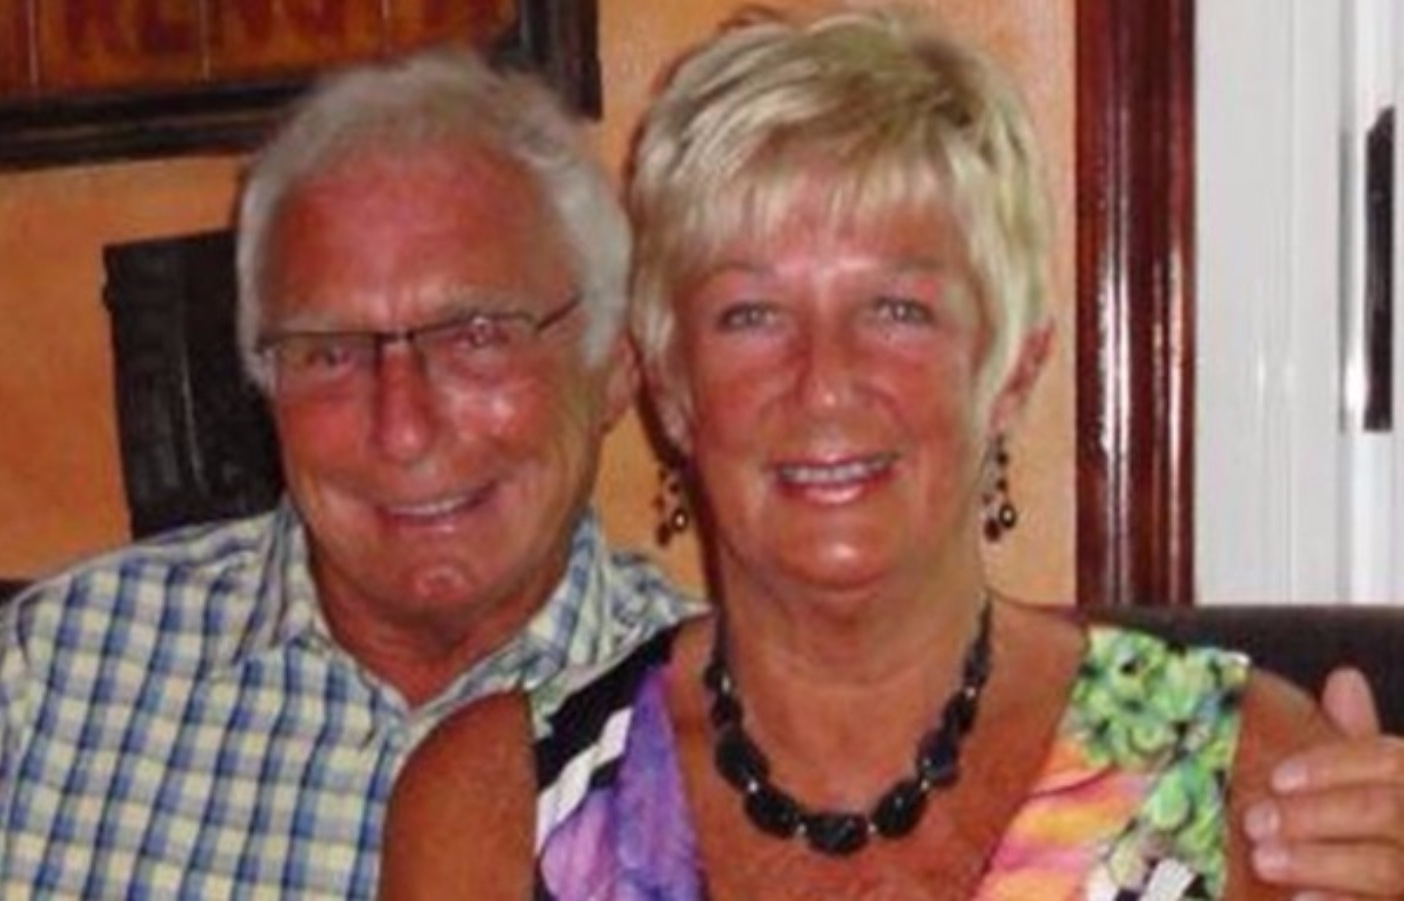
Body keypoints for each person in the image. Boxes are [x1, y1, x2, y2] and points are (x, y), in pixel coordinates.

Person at [380, 8, 1404, 900]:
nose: (825, 380)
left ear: (1010, 372)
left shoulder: (1245, 775)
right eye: (750, 314)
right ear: (672, 385)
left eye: (897, 308)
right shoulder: (496, 806)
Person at [0, 48, 699, 898]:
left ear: (615, 364)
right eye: (330, 352)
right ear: (263, 383)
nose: (402, 426)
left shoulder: (720, 747)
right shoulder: (54, 678)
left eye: (476, 335)